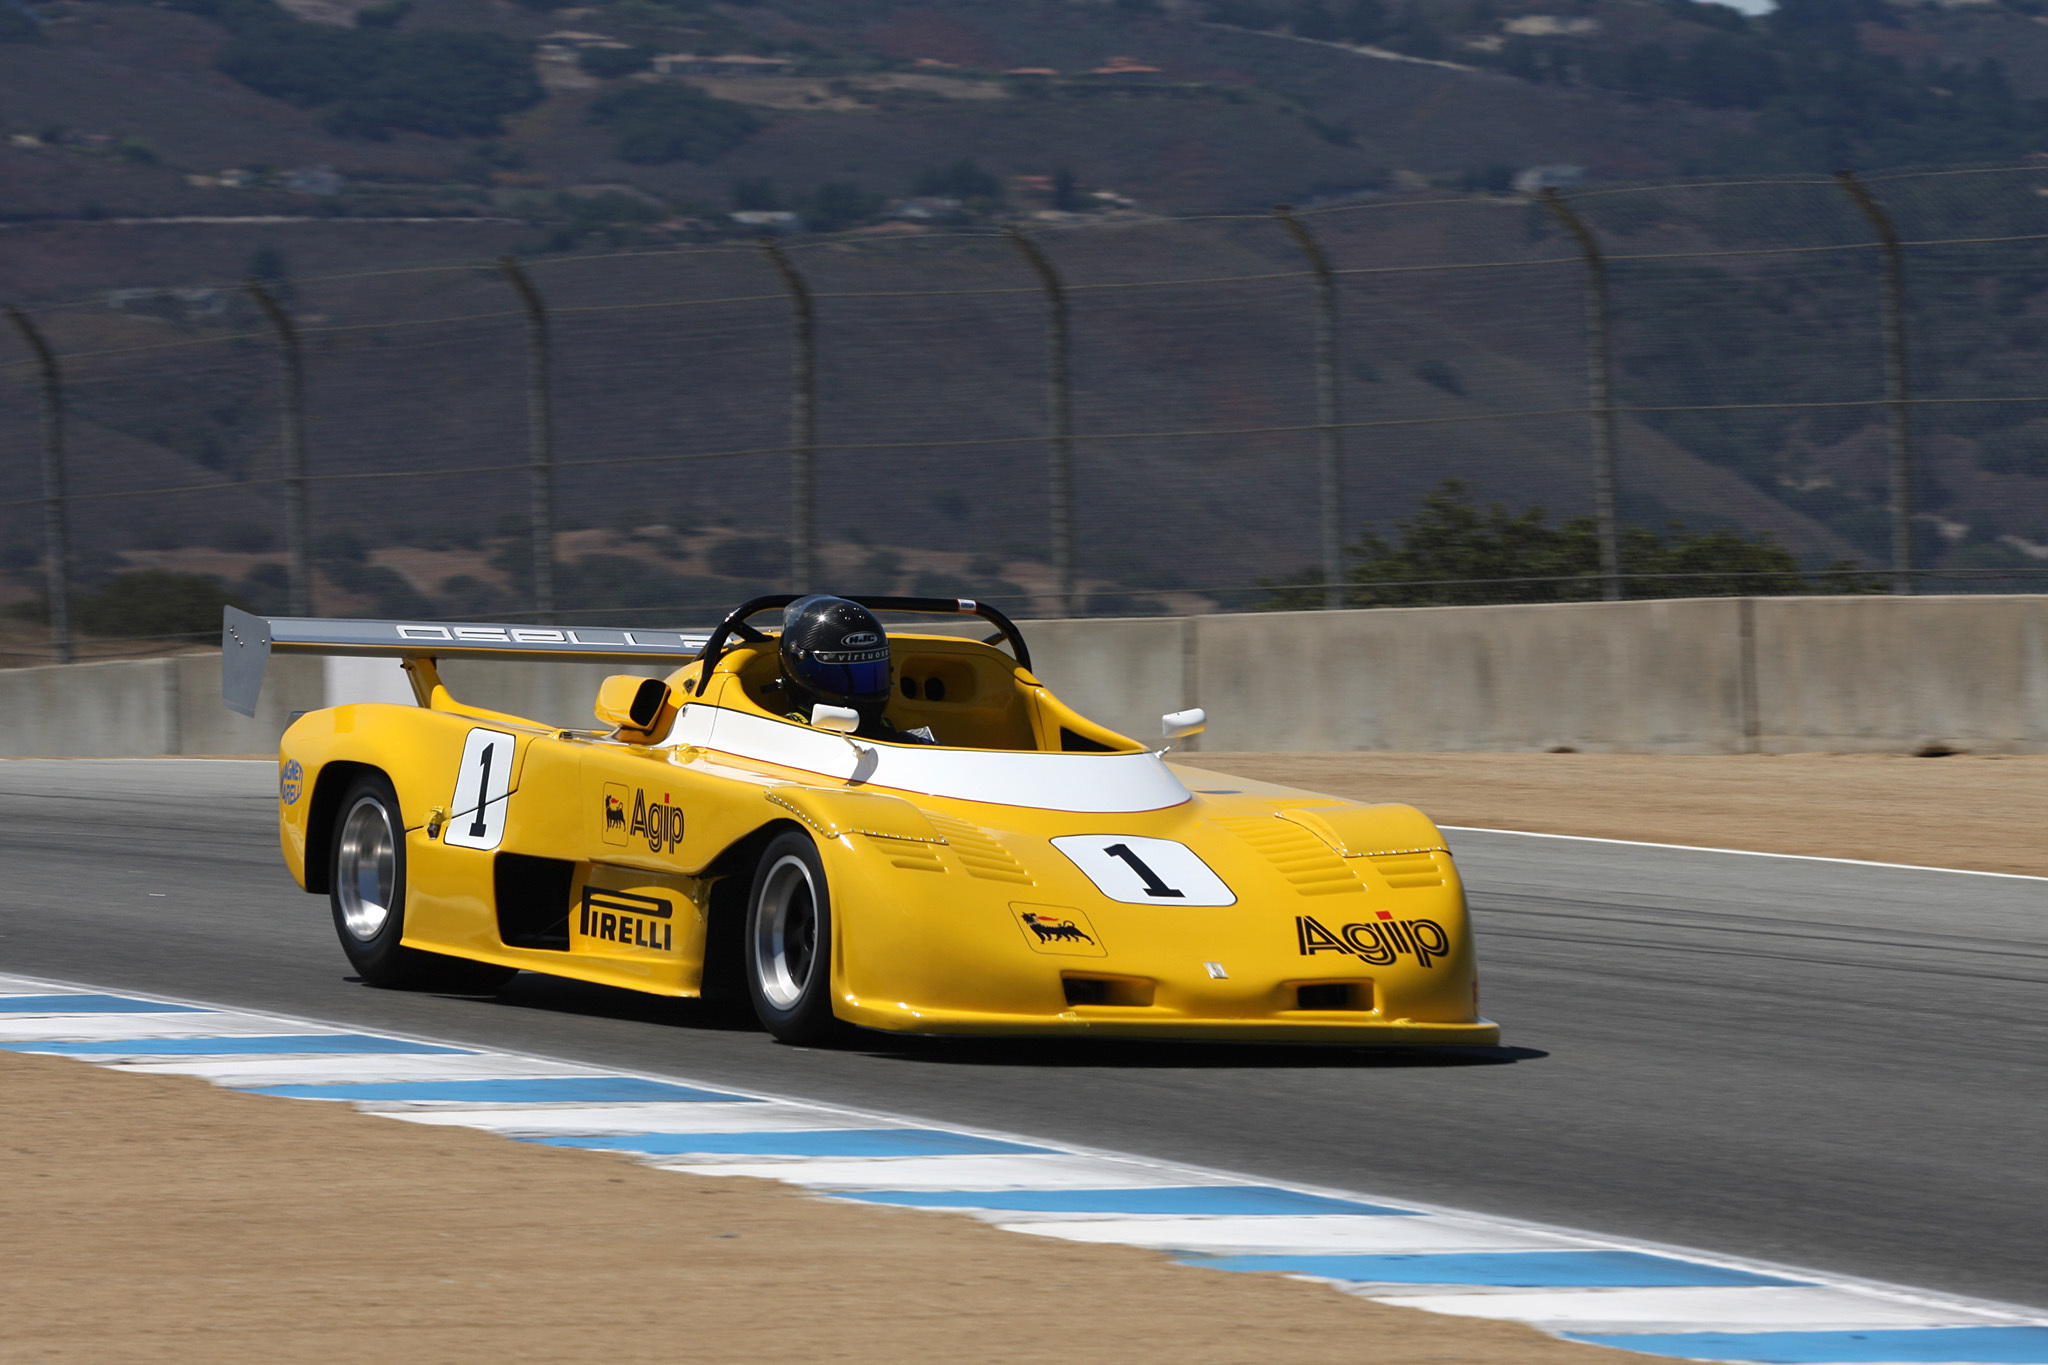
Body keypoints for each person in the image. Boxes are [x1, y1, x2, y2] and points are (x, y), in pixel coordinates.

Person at [773, 595, 935, 745]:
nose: (863, 692)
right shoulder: (781, 741)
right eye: (837, 676)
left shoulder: (909, 741)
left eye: (872, 673)